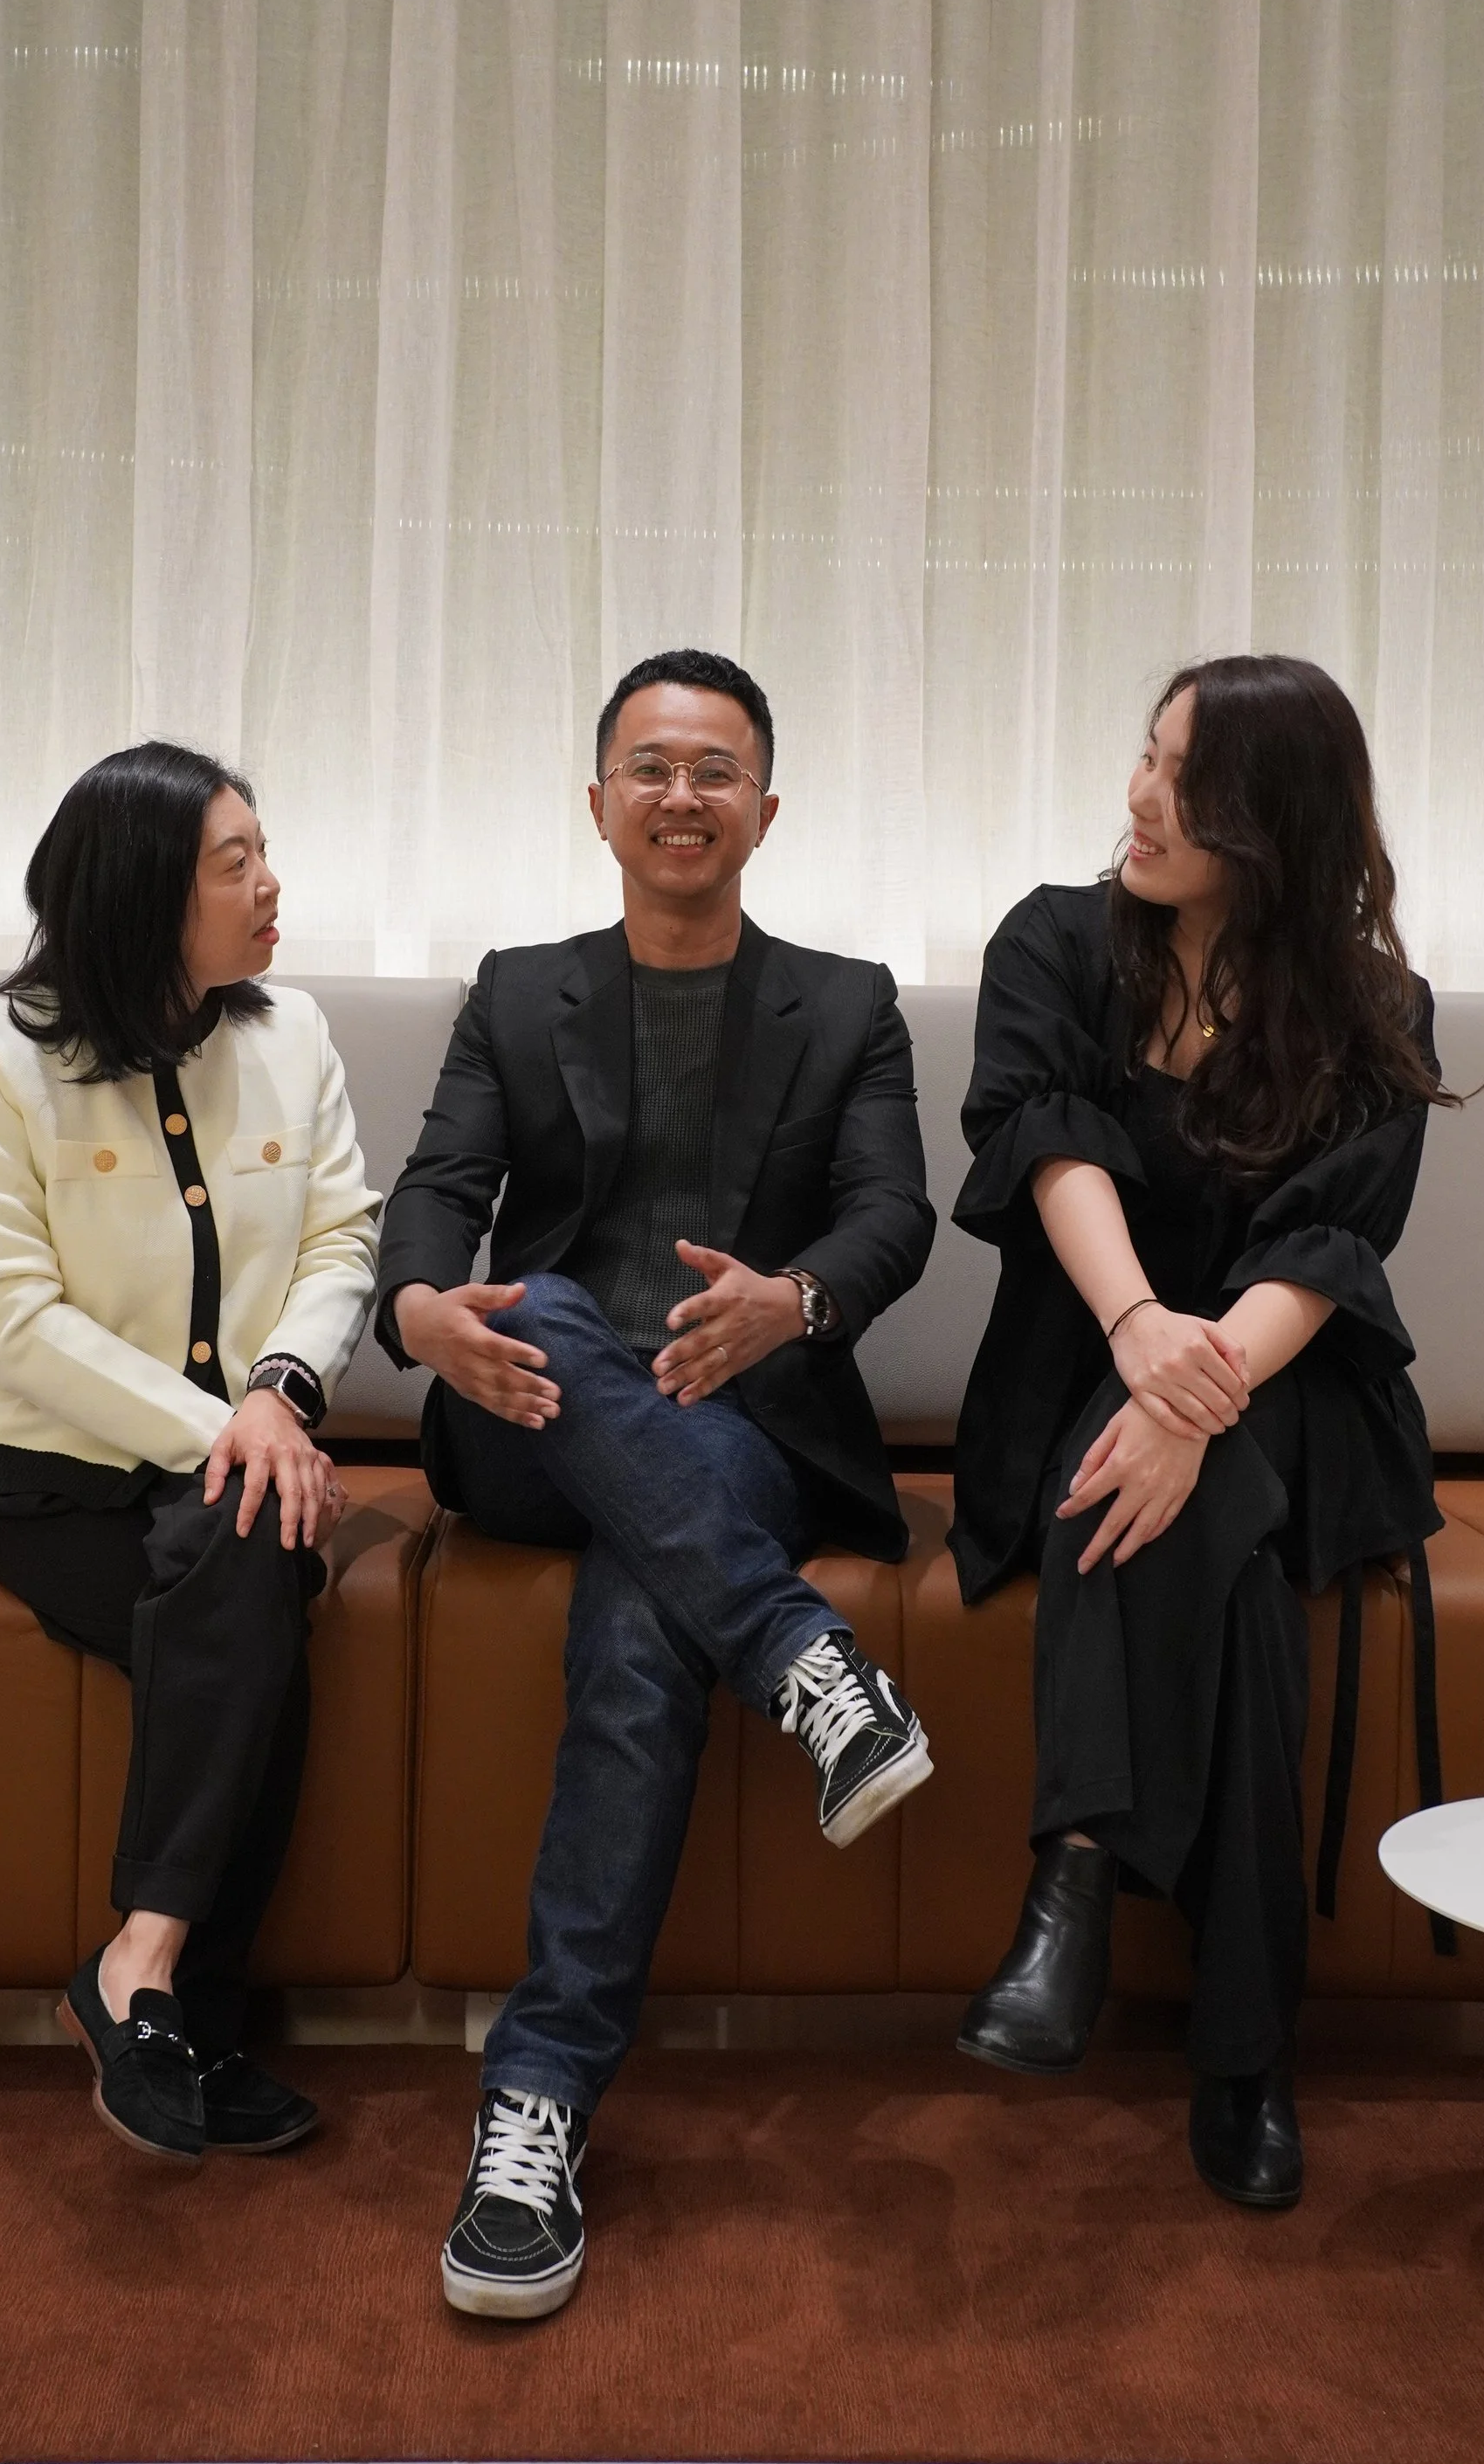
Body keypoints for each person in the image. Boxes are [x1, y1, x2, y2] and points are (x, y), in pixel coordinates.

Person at [379, 648, 936, 2320]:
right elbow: (437, 1187)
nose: (681, 795)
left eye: (714, 770)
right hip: (531, 1405)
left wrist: (794, 1301)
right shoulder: (517, 988)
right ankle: (807, 1665)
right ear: (600, 799)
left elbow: (892, 1214)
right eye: (651, 766)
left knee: (641, 1620)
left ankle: (533, 2111)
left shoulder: (848, 1001)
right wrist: (422, 1312)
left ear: (766, 806)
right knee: (547, 1300)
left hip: (739, 1426)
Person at [949, 655, 1455, 2212]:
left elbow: (1328, 1244)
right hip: (1082, 1363)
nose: (1141, 798)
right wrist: (1139, 1338)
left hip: (1291, 1386)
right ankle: (1248, 2055)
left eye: (1186, 778)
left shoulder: (1377, 1005)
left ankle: (1076, 1885)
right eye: (1146, 755)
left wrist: (1194, 1394)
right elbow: (1047, 1143)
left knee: (1196, 1478)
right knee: (1232, 1585)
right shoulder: (1055, 941)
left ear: (1275, 817)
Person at [0, 742, 381, 2168]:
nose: (271, 882)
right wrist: (230, 1428)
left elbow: (341, 1239)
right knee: (258, 1580)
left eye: (262, 850)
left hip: (234, 1451)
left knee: (248, 1553)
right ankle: (194, 2018)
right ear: (140, 895)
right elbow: (6, 1318)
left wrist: (280, 1389)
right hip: (37, 1472)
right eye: (235, 863)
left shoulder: (292, 1034)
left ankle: (143, 1975)